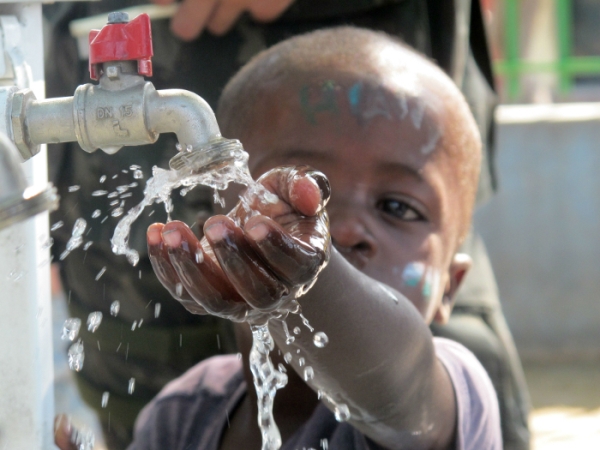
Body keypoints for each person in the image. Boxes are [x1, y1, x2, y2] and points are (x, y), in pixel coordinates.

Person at [45, 1, 528, 448]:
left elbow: (396, 382)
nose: (345, 225)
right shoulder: (185, 411)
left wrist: (311, 270)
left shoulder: (449, 399)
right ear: (216, 217)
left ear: (451, 286)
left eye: (397, 207)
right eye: (295, 192)